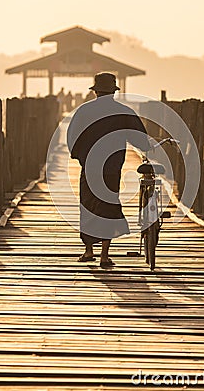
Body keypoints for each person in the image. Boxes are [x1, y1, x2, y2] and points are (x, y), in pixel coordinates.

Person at [67, 72, 151, 268]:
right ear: (113, 92)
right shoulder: (123, 111)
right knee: (109, 204)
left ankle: (88, 251)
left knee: (88, 205)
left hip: (89, 166)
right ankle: (105, 255)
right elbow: (139, 138)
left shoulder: (83, 111)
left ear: (95, 91)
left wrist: (80, 157)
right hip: (112, 167)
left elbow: (73, 139)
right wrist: (146, 147)